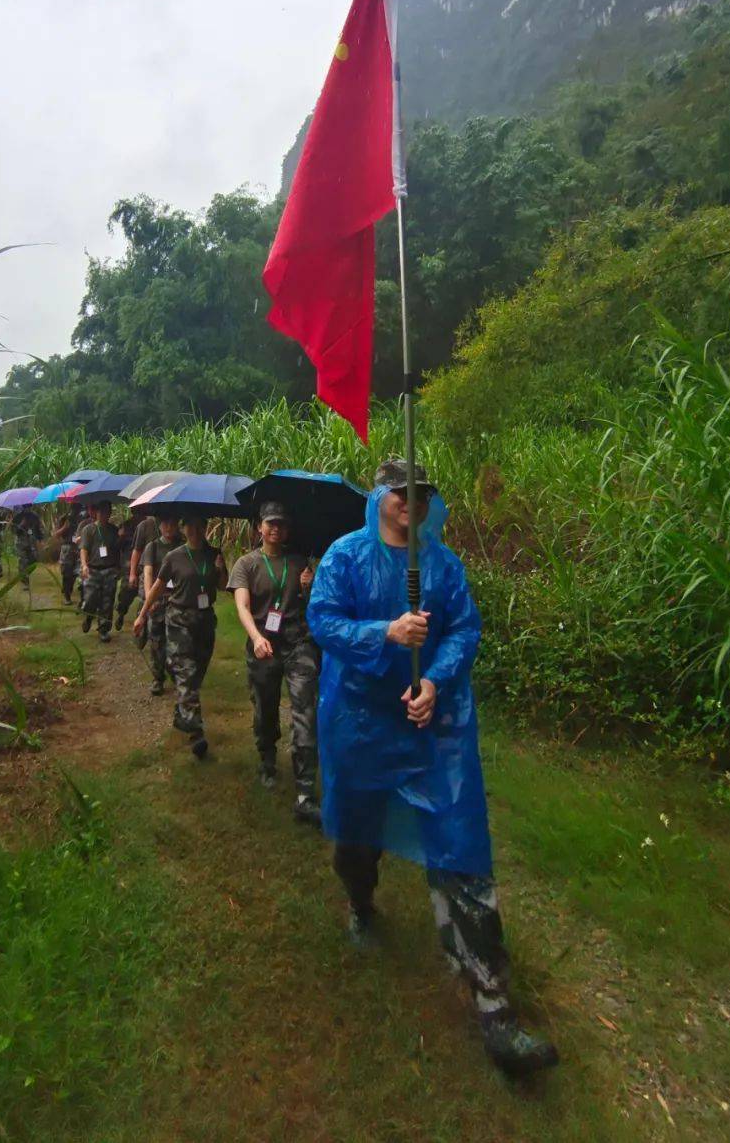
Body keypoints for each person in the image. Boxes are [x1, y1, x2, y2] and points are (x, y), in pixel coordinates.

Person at [306, 458, 559, 1079]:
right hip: (360, 727)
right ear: (380, 496)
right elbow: (323, 620)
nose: (410, 503)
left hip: (430, 735)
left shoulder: (443, 566)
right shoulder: (344, 555)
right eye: (399, 493)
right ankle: (361, 903)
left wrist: (437, 683)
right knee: (355, 840)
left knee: (461, 852)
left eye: (422, 494)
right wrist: (384, 632)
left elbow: (463, 632)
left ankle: (496, 1013)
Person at [229, 500, 321, 826]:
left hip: (298, 643)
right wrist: (255, 637)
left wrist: (310, 587)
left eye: (281, 524)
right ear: (260, 527)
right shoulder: (247, 564)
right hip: (263, 646)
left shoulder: (301, 564)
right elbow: (242, 605)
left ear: (288, 530)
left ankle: (306, 792)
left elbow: (317, 607)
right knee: (265, 709)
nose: (275, 529)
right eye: (270, 523)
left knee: (305, 712)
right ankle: (267, 759)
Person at [134, 511, 227, 759]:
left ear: (206, 527)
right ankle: (196, 733)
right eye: (190, 527)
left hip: (205, 621)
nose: (195, 531)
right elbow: (157, 586)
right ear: (184, 529)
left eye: (199, 526)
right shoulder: (174, 557)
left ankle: (181, 714)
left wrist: (219, 570)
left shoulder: (214, 553)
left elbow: (222, 586)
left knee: (196, 675)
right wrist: (142, 614)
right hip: (179, 621)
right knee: (185, 673)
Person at [138, 514, 183, 695]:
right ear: (160, 525)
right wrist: (150, 599)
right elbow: (148, 573)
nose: (169, 528)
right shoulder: (153, 547)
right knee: (156, 640)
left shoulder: (183, 546)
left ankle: (175, 671)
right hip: (158, 598)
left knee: (177, 641)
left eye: (173, 523)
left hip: (178, 600)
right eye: (165, 523)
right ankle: (158, 678)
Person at [79, 500, 120, 641]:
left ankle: (104, 629)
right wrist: (84, 565)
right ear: (96, 513)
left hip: (109, 569)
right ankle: (88, 616)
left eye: (107, 512)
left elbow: (117, 550)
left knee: (107, 601)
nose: (104, 515)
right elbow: (84, 549)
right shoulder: (88, 530)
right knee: (90, 598)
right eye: (101, 512)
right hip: (93, 569)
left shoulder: (114, 530)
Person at [53, 505, 81, 605]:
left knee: (75, 573)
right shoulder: (64, 518)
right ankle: (67, 596)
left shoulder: (83, 518)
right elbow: (56, 534)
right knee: (66, 572)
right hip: (67, 547)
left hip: (79, 548)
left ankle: (68, 590)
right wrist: (65, 527)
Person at [12, 504, 43, 590]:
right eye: (26, 507)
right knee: (23, 561)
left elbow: (38, 529)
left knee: (34, 561)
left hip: (31, 542)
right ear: (23, 507)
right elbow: (14, 531)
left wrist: (40, 539)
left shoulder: (34, 516)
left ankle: (25, 574)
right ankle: (25, 581)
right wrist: (21, 525)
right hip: (20, 542)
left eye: (29, 507)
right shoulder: (17, 517)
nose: (28, 509)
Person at [128, 510, 159, 593]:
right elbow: (137, 550)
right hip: (147, 569)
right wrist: (132, 573)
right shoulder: (144, 525)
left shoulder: (173, 526)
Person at [114, 519, 137, 629]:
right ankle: (121, 614)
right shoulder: (125, 525)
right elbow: (116, 547)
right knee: (126, 594)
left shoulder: (151, 526)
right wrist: (121, 536)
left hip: (145, 564)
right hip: (128, 565)